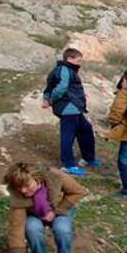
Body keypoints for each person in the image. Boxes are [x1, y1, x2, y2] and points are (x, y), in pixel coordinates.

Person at [4, 162, 85, 253]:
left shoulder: (55, 176)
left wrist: (56, 211)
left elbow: (78, 191)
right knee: (32, 229)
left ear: (37, 179)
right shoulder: (17, 195)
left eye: (27, 186)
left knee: (62, 229)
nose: (23, 190)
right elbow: (16, 226)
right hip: (34, 215)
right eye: (19, 187)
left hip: (60, 209)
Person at [43, 48, 98, 177]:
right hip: (68, 107)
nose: (80, 63)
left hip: (75, 107)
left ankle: (88, 158)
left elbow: (50, 86)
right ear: (69, 59)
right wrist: (51, 100)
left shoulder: (67, 70)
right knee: (68, 135)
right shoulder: (64, 70)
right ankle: (68, 165)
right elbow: (61, 87)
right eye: (78, 60)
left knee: (86, 129)